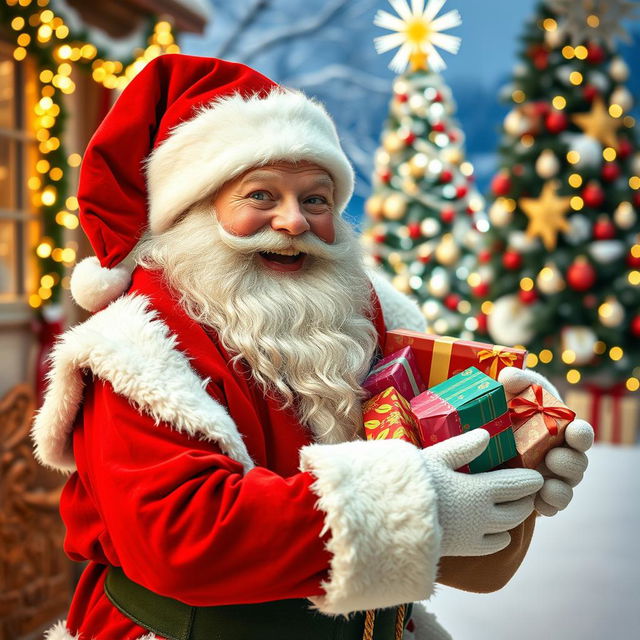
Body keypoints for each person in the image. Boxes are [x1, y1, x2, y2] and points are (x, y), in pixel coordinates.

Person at [33, 54, 594, 640]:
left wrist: (517, 428)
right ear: (195, 212)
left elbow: (440, 443)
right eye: (260, 195)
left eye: (316, 199)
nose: (294, 220)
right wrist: (412, 510)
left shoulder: (362, 315)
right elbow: (184, 535)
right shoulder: (136, 347)